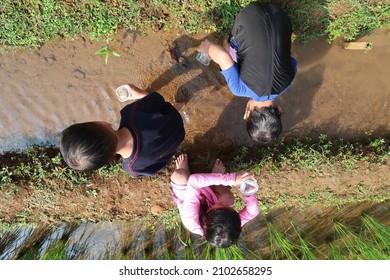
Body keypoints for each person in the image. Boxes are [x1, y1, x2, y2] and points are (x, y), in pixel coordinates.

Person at [197, 2, 297, 145]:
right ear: (247, 113)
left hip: (279, 14)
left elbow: (293, 54)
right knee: (229, 54)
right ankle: (228, 40)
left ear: (279, 109)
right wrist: (206, 48)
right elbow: (222, 56)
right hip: (250, 14)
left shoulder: (288, 83)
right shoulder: (239, 89)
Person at [60, 84, 185, 177]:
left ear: (107, 159)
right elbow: (157, 99)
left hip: (177, 137)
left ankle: (179, 106)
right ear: (102, 124)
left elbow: (152, 170)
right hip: (173, 119)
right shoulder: (132, 113)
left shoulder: (131, 168)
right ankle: (180, 104)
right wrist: (138, 94)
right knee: (165, 108)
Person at [170, 154, 259, 248]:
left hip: (188, 194)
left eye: (221, 206)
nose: (224, 204)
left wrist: (231, 179)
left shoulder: (191, 220)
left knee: (180, 176)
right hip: (208, 196)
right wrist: (248, 191)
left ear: (208, 214)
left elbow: (193, 181)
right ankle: (215, 180)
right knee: (227, 198)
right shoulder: (230, 224)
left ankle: (186, 169)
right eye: (229, 208)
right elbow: (252, 212)